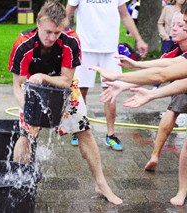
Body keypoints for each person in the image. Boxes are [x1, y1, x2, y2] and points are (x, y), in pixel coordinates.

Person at [8, 0, 122, 205]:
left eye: (57, 33)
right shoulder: (22, 44)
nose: (52, 38)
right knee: (25, 135)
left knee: (85, 131)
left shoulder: (71, 40)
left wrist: (43, 76)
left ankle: (101, 183)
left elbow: (66, 80)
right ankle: (19, 182)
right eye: (48, 32)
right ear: (38, 24)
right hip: (32, 91)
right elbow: (17, 85)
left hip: (63, 88)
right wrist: (27, 110)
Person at [98, 12, 187, 171]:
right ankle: (178, 188)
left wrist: (119, 76)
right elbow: (165, 69)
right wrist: (126, 82)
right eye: (174, 24)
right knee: (174, 111)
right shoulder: (177, 53)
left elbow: (162, 74)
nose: (174, 28)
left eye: (182, 25)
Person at [66, 0, 148, 150]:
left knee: (110, 91)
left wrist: (139, 39)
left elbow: (125, 15)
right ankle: (78, 129)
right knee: (80, 91)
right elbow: (67, 14)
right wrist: (63, 37)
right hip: (85, 47)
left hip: (110, 49)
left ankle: (111, 134)